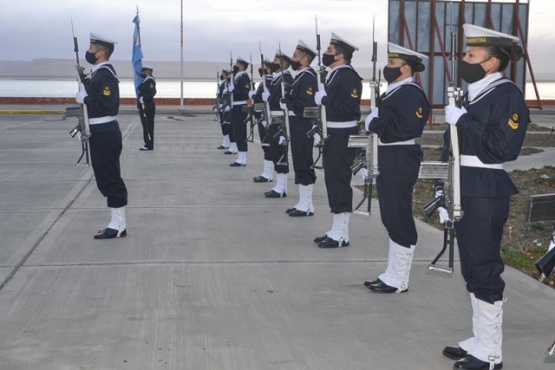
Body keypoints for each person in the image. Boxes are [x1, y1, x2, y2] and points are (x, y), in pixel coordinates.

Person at [440, 24, 529, 370]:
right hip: (465, 186)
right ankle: (480, 340)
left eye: (470, 55)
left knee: (484, 268)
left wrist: (463, 122)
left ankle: (492, 353)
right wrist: (444, 189)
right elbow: (454, 148)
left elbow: (502, 149)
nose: (464, 60)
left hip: (485, 189)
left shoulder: (506, 95)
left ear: (491, 63)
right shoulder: (473, 93)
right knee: (472, 269)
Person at [362, 43, 430, 293]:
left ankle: (400, 278)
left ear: (406, 67)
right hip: (389, 155)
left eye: (392, 64)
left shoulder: (411, 93)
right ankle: (392, 273)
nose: (387, 68)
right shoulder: (394, 91)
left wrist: (376, 124)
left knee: (398, 216)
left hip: (400, 156)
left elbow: (407, 129)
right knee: (390, 216)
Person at [75, 33, 128, 239]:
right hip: (98, 131)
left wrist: (86, 98)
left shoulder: (105, 74)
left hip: (105, 133)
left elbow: (109, 106)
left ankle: (118, 224)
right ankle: (117, 222)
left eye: (91, 47)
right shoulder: (98, 74)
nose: (88, 51)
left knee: (110, 178)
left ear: (100, 52)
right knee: (104, 178)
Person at [313, 33, 362, 247]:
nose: (324, 54)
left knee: (340, 182)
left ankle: (342, 234)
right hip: (332, 134)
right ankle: (336, 228)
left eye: (329, 51)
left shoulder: (348, 76)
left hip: (342, 136)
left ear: (341, 56)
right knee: (332, 181)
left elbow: (347, 108)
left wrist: (324, 99)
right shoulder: (334, 74)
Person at [282, 40, 319, 216]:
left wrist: (288, 103)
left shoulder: (308, 77)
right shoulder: (300, 77)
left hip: (303, 125)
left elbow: (306, 106)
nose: (292, 59)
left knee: (304, 163)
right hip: (297, 125)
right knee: (299, 162)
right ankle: (303, 202)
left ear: (305, 60)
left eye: (295, 56)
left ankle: (307, 205)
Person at [264, 50, 293, 198]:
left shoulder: (285, 78)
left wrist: (272, 99)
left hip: (280, 121)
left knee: (281, 155)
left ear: (282, 64)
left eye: (276, 60)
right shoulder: (278, 79)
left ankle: (282, 187)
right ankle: (280, 185)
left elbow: (286, 99)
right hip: (274, 119)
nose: (272, 63)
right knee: (276, 153)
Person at [251, 58, 275, 183]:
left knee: (268, 145)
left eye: (263, 66)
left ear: (269, 68)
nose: (261, 69)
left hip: (265, 116)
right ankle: (266, 173)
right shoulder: (263, 82)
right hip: (261, 116)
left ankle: (268, 174)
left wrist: (255, 96)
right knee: (265, 145)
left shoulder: (270, 82)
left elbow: (267, 100)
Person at [228, 56, 251, 166]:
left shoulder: (244, 77)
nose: (236, 65)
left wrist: (234, 90)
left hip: (240, 107)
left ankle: (243, 158)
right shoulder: (237, 77)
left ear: (242, 66)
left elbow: (245, 94)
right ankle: (240, 156)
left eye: (237, 64)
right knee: (236, 132)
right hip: (235, 107)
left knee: (240, 132)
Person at [137, 65, 156, 151]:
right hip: (144, 106)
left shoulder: (150, 80)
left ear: (147, 72)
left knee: (148, 126)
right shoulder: (145, 81)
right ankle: (147, 143)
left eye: (143, 71)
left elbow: (153, 91)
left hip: (147, 106)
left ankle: (149, 145)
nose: (141, 73)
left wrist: (143, 99)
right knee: (145, 125)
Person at [216, 69, 232, 150]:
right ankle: (225, 142)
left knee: (226, 124)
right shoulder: (223, 83)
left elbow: (228, 96)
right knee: (223, 124)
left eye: (223, 74)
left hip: (226, 106)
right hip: (222, 105)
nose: (222, 75)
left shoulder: (228, 83)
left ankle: (227, 143)